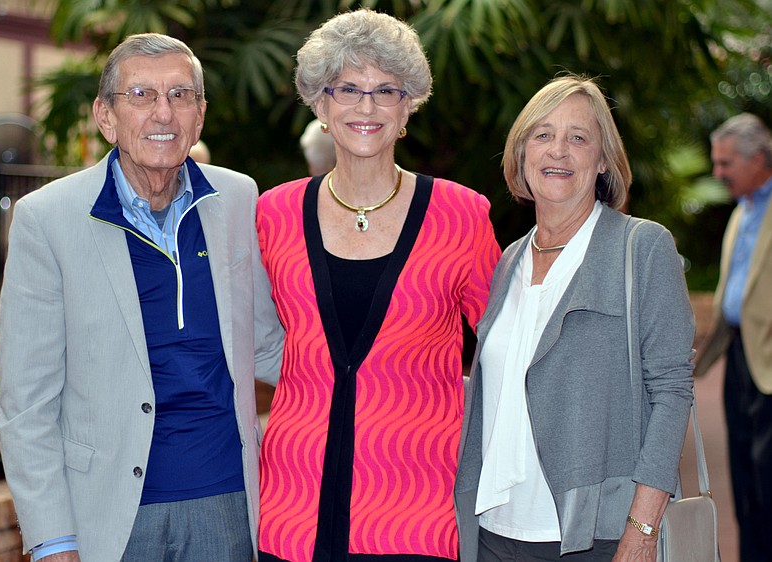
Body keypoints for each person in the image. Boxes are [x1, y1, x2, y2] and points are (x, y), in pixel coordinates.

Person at [0, 33, 283, 562]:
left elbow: (270, 345)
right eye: (141, 95)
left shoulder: (239, 198)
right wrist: (53, 541)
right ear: (106, 116)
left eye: (180, 96)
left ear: (199, 116)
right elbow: (25, 403)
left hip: (228, 500)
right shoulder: (47, 219)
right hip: (106, 512)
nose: (163, 113)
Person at [255, 9, 502, 562]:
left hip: (415, 511)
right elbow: (252, 333)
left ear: (408, 106)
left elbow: (507, 345)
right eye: (347, 89)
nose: (366, 107)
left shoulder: (461, 214)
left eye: (386, 90)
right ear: (320, 104)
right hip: (293, 509)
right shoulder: (273, 213)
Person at [455, 75, 696, 562]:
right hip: (494, 530)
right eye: (542, 136)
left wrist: (643, 528)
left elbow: (671, 392)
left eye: (578, 138)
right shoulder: (509, 261)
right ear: (522, 155)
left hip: (595, 537)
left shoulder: (641, 247)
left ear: (603, 159)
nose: (558, 151)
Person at [694, 112, 772, 562]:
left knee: (767, 477)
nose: (718, 173)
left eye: (726, 164)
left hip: (766, 358)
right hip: (740, 357)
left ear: (757, 158)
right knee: (744, 477)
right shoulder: (743, 210)